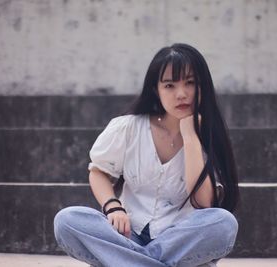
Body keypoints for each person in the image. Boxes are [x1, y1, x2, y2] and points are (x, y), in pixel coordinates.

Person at [54, 43, 239, 267]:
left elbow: (204, 203)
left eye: (190, 83)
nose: (181, 94)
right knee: (67, 220)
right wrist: (113, 206)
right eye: (169, 85)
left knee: (224, 224)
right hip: (127, 235)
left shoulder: (209, 136)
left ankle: (125, 262)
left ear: (203, 86)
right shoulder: (128, 127)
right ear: (156, 90)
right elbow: (99, 171)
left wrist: (190, 136)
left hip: (179, 241)